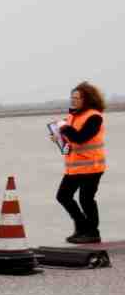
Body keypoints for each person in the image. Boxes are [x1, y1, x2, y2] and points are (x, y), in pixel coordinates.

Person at [54, 81, 106, 243]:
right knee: (63, 196)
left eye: (77, 98)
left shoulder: (94, 117)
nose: (73, 100)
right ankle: (82, 227)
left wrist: (64, 129)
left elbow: (81, 138)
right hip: (75, 168)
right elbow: (70, 142)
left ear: (87, 99)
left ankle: (92, 233)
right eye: (72, 97)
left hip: (92, 167)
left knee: (86, 199)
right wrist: (59, 139)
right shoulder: (72, 116)